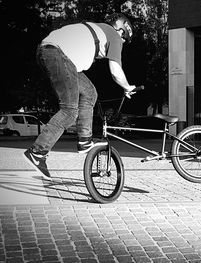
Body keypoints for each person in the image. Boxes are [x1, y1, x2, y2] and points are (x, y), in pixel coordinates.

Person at [24, 13, 136, 178]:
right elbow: (115, 70)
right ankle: (37, 152)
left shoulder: (97, 29)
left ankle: (85, 141)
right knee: (69, 111)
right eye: (125, 40)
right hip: (57, 54)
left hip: (48, 52)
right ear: (122, 30)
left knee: (89, 92)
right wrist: (126, 87)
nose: (122, 44)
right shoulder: (114, 36)